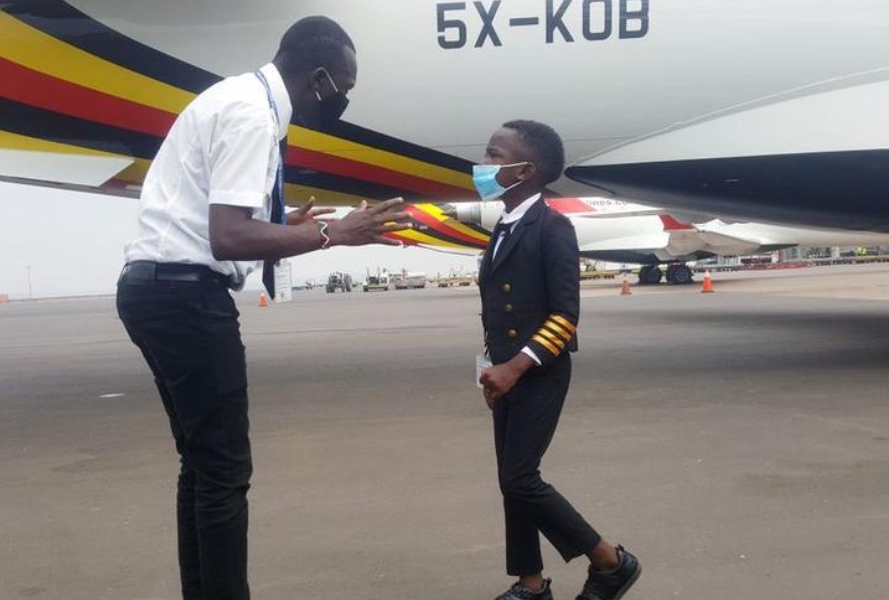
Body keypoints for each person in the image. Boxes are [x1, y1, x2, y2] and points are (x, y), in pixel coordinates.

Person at [115, 16, 409, 600]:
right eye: (345, 87)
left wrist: (286, 228)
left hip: (155, 288)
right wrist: (336, 235)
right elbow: (229, 238)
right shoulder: (252, 115)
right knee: (224, 471)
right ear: (320, 78)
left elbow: (231, 224)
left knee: (201, 466)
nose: (345, 99)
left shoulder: (236, 97)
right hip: (185, 296)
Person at [476, 120, 641, 600]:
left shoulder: (552, 226)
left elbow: (566, 315)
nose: (484, 166)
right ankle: (530, 583)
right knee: (511, 481)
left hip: (538, 371)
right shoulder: (505, 225)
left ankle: (610, 561)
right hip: (505, 372)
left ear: (524, 169)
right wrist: (490, 368)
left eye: (493, 155)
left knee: (520, 479)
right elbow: (498, 313)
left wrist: (515, 366)